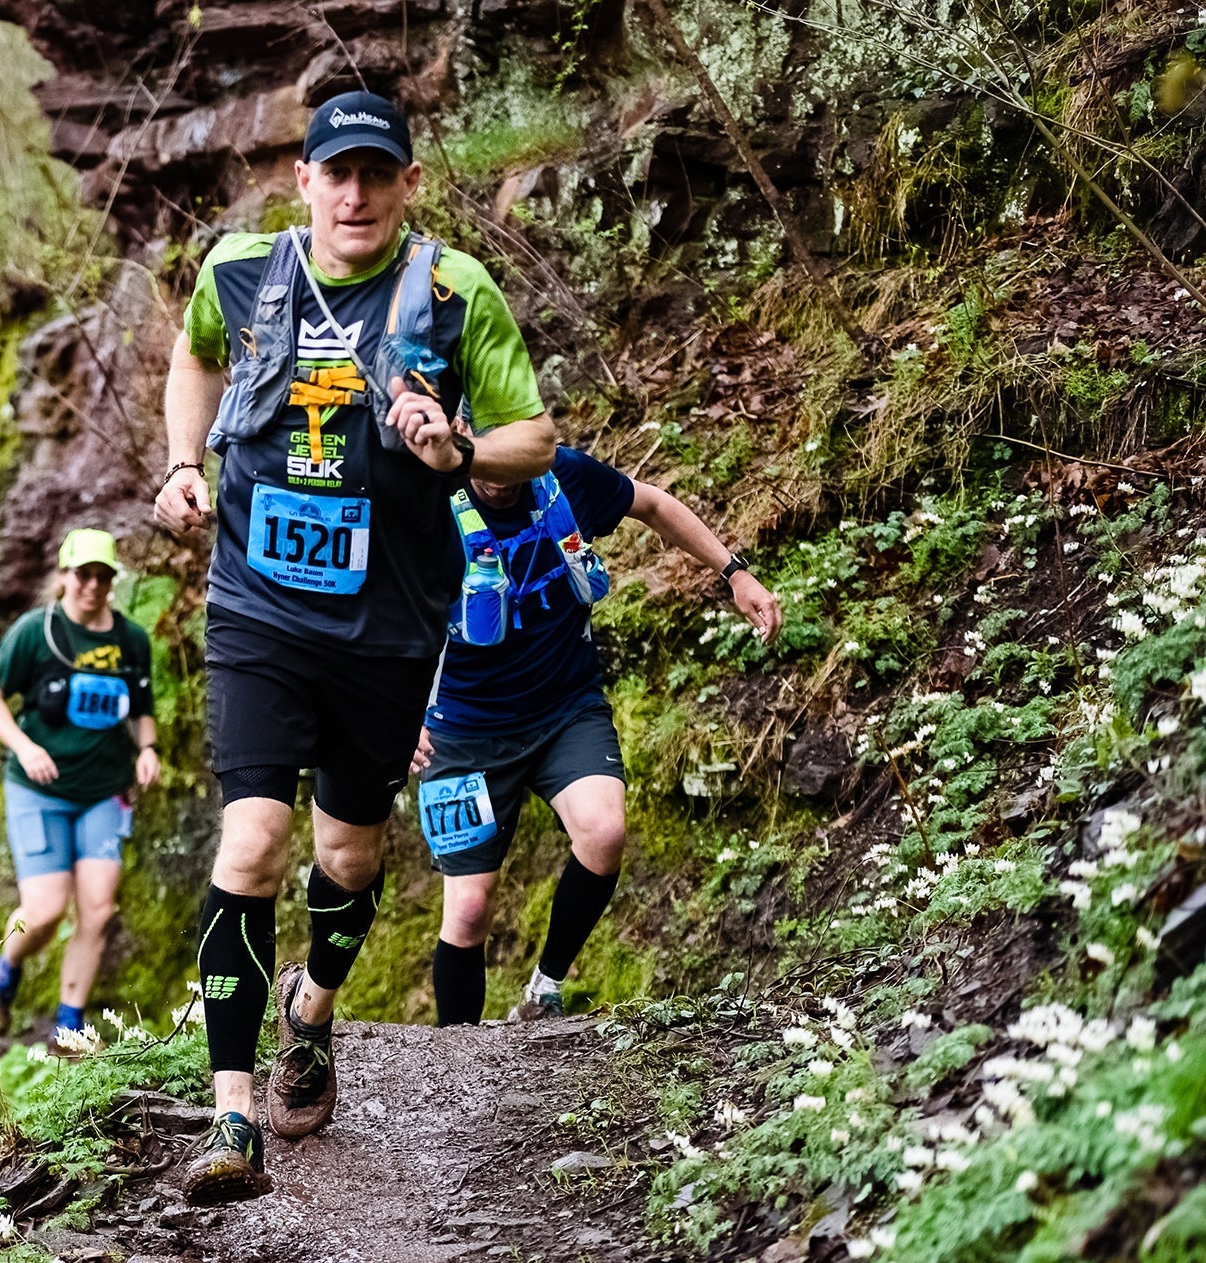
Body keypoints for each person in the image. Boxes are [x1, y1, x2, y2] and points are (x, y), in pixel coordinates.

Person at [154, 90, 560, 1205]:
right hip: (257, 610)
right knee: (251, 844)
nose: (356, 194)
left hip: (387, 628)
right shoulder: (239, 271)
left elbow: (535, 438)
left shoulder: (453, 290)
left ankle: (314, 1009)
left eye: (379, 174)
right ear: (304, 182)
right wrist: (184, 463)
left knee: (349, 856)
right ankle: (233, 1117)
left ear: (409, 184)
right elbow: (194, 357)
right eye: (337, 173)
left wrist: (461, 446)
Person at [411, 450, 782, 1023]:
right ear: (462, 441)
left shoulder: (564, 476)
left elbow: (652, 503)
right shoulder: (423, 501)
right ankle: (457, 1059)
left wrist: (734, 572)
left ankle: (544, 990)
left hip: (565, 709)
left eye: (512, 455)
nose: (501, 477)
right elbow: (375, 602)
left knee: (604, 832)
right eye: (487, 455)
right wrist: (394, 711)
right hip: (462, 732)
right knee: (468, 910)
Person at [0, 529, 160, 1045]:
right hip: (39, 791)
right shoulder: (36, 632)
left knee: (97, 910)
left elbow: (142, 708)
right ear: (64, 575)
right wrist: (24, 746)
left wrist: (148, 748)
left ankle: (68, 1028)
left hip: (105, 792)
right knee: (45, 912)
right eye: (84, 574)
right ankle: (5, 970)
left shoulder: (131, 640)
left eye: (103, 576)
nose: (93, 586)